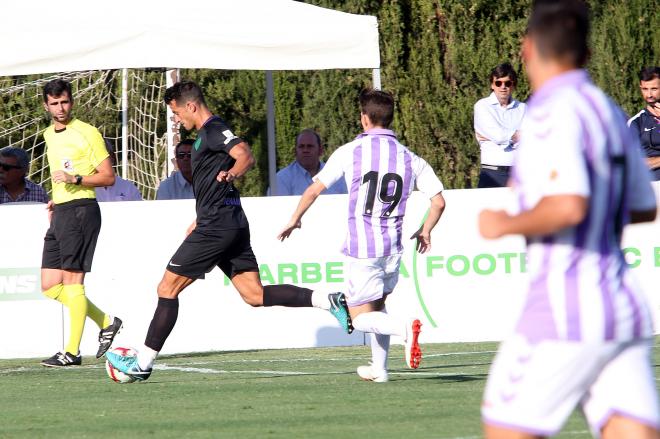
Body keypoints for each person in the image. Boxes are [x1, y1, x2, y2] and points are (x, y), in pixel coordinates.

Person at [478, 1, 659, 438]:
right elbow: (643, 206)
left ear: (528, 48)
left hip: (567, 305)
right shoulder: (609, 110)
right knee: (629, 431)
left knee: (506, 428)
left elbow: (569, 205)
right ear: (587, 53)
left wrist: (502, 223)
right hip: (622, 302)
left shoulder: (547, 111)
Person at [106, 81, 351, 381]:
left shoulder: (213, 129)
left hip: (218, 226)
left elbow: (244, 154)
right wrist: (202, 214)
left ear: (191, 106)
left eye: (176, 112)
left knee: (166, 289)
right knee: (254, 294)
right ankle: (327, 300)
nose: (176, 119)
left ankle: (142, 364)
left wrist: (232, 173)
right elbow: (212, 179)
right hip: (226, 221)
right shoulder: (202, 136)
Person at [278, 89, 447, 383]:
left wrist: (295, 219)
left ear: (364, 119)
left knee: (359, 317)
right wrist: (425, 230)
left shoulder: (351, 151)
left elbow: (314, 188)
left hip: (363, 249)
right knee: (378, 306)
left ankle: (404, 329)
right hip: (392, 249)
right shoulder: (409, 157)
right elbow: (439, 201)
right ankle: (379, 370)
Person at [40, 79, 123, 367]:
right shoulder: (48, 134)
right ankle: (107, 321)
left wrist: (76, 180)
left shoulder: (87, 132)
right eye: (54, 103)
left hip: (81, 211)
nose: (60, 108)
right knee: (50, 285)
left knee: (74, 282)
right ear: (46, 105)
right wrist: (56, 198)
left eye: (64, 101)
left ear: (71, 101)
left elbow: (108, 176)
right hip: (61, 210)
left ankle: (72, 352)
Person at [474, 63, 527, 188]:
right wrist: (518, 135)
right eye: (498, 83)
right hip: (492, 174)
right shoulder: (482, 106)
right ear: (492, 85)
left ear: (513, 85)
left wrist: (499, 136)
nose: (503, 87)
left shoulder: (523, 108)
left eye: (507, 83)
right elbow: (497, 135)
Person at [268, 129, 348, 196]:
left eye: (310, 146)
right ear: (295, 152)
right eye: (301, 146)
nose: (305, 150)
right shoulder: (282, 179)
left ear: (320, 151)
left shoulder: (334, 175)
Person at [627, 66, 660, 181]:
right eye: (645, 89)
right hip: (653, 186)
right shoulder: (636, 122)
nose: (649, 94)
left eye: (654, 89)